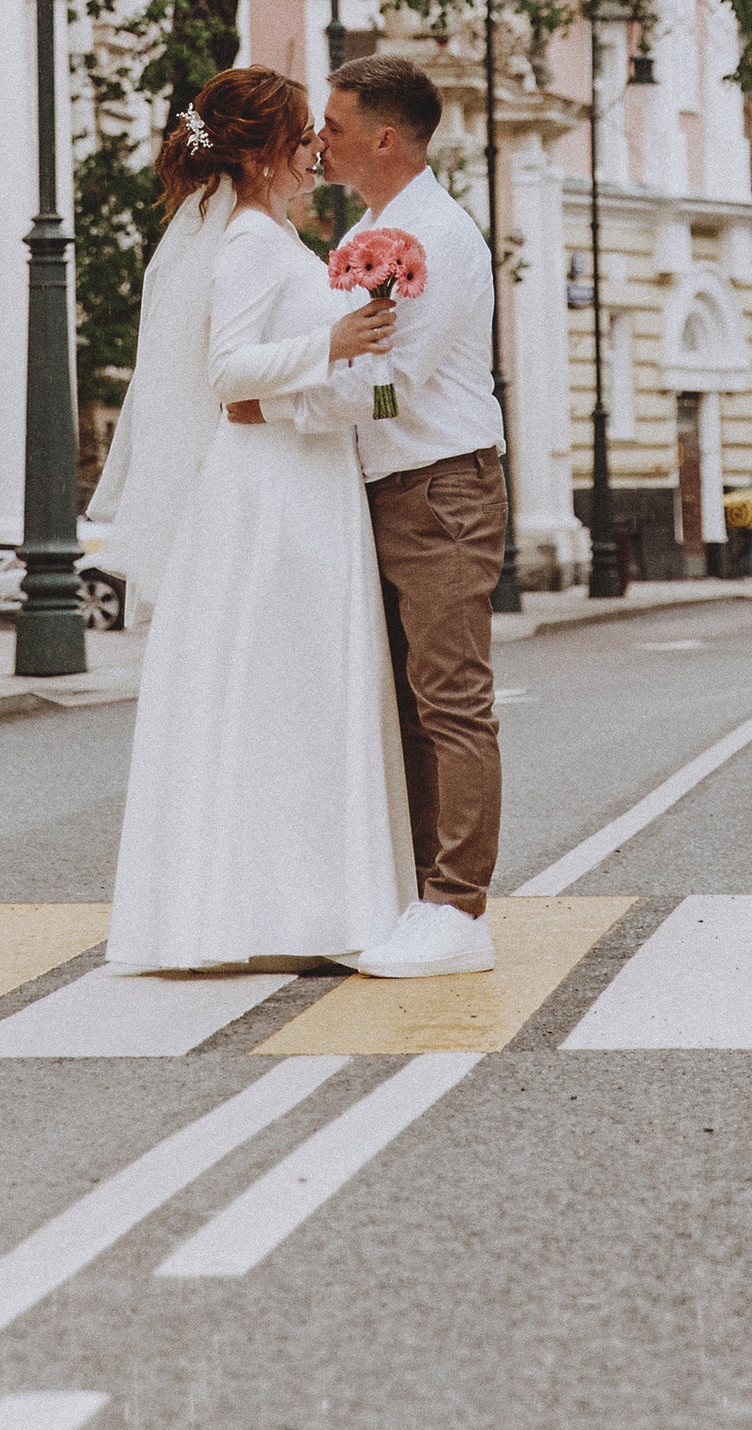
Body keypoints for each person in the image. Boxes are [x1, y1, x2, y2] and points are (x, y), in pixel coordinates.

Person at [95, 68, 412, 972]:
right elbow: (227, 372)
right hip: (269, 493)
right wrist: (335, 343)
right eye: (306, 134)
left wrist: (361, 367)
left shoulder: (273, 237)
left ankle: (294, 912)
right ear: (265, 153)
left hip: (304, 475)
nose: (318, 149)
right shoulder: (245, 242)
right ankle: (274, 916)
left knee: (298, 693)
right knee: (281, 692)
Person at [229, 53, 507, 979]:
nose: (320, 143)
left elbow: (387, 389)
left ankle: (459, 909)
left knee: (452, 702)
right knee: (404, 709)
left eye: (335, 128)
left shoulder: (440, 238)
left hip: (441, 487)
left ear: (385, 139)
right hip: (383, 489)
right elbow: (352, 369)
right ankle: (418, 894)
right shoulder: (382, 228)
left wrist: (273, 405)